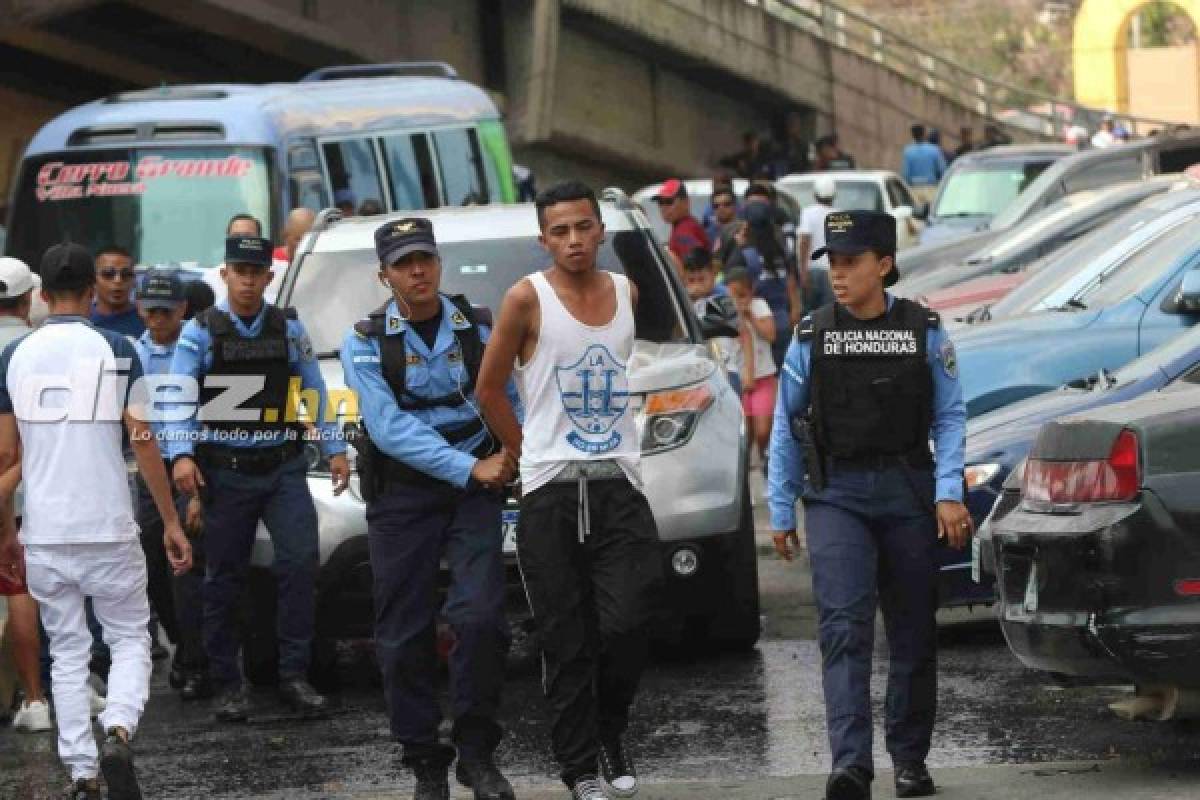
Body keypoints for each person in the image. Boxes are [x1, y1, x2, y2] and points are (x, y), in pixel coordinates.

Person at [766, 210, 970, 800]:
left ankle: (909, 759)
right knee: (844, 629)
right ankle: (850, 765)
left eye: (852, 261)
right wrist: (781, 508)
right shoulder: (811, 335)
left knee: (912, 631)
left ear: (884, 265)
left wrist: (949, 492)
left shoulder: (926, 331)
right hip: (837, 497)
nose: (839, 273)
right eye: (832, 261)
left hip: (908, 491)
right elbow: (786, 426)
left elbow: (950, 415)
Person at [476, 181, 663, 800]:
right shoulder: (525, 299)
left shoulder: (626, 291)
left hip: (620, 483)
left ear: (600, 229)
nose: (574, 240)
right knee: (566, 637)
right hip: (552, 490)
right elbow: (489, 388)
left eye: (583, 227)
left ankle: (611, 733)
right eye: (559, 230)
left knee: (628, 622)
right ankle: (581, 768)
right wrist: (525, 449)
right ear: (543, 238)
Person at [0, 242, 191, 800]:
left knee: (67, 650)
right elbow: (143, 437)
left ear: (41, 296)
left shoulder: (14, 359)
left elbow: (7, 458)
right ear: (91, 291)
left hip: (46, 528)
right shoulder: (120, 348)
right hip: (107, 524)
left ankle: (82, 771)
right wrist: (170, 521)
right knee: (131, 637)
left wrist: (8, 534)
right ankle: (120, 728)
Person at [341, 217, 520, 800]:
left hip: (476, 490)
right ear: (384, 274)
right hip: (403, 494)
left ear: (439, 262)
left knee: (481, 618)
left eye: (425, 259)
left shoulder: (482, 326)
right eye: (403, 263)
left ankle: (476, 752)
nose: (417, 271)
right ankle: (425, 762)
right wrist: (470, 466)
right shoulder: (365, 341)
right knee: (402, 633)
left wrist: (514, 453)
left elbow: (508, 398)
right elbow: (388, 430)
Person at [166, 235, 350, 722]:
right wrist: (182, 454)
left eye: (256, 272)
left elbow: (312, 388)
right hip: (225, 472)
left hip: (283, 466)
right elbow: (179, 397)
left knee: (300, 566)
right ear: (225, 274)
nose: (248, 281)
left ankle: (294, 675)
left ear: (269, 277)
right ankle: (228, 683)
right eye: (239, 271)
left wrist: (334, 448)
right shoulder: (200, 332)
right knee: (223, 579)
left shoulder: (288, 328)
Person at [133, 268, 210, 702]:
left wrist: (197, 492)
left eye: (167, 309)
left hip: (189, 467)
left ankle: (197, 661)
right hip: (150, 471)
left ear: (183, 308)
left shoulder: (199, 348)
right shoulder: (132, 353)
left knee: (185, 567)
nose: (158, 318)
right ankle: (184, 646)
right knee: (153, 566)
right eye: (151, 309)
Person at [0, 257, 50, 733]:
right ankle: (35, 695)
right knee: (24, 589)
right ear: (27, 298)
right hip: (28, 492)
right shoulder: (36, 349)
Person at [725, 184, 802, 369]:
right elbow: (791, 281)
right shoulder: (780, 248)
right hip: (782, 319)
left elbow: (734, 288)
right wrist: (795, 311)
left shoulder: (744, 254)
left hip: (757, 322)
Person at [724, 268, 775, 467]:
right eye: (733, 295)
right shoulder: (726, 313)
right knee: (747, 428)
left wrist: (750, 316)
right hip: (740, 378)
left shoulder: (759, 306)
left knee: (763, 428)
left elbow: (771, 335)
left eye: (742, 295)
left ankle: (761, 454)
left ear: (751, 292)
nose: (738, 300)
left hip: (764, 376)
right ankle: (747, 464)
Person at [684, 248, 748, 394]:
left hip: (727, 369)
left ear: (713, 274)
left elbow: (742, 331)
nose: (697, 285)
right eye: (691, 280)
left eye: (701, 279)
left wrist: (748, 370)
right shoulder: (684, 300)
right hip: (697, 372)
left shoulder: (724, 296)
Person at [797, 176, 837, 313]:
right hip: (833, 272)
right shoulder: (839, 215)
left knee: (810, 314)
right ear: (834, 195)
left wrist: (803, 270)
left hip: (812, 270)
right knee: (830, 314)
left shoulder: (808, 213)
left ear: (815, 194)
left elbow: (804, 240)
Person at [89, 246, 144, 338]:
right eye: (108, 274)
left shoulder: (147, 321)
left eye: (125, 274)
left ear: (134, 280)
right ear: (93, 280)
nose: (118, 280)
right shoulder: (83, 322)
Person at [654, 179, 710, 267]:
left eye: (669, 202)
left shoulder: (684, 230)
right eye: (660, 202)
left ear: (686, 202)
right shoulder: (684, 225)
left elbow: (695, 269)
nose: (663, 207)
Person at [901, 125, 945, 207]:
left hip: (914, 189)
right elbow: (942, 170)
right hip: (931, 188)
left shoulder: (908, 151)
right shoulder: (934, 149)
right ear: (924, 134)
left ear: (912, 135)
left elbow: (905, 174)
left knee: (916, 216)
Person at [708, 186, 742, 266]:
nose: (721, 208)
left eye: (726, 204)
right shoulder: (707, 234)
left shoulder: (744, 230)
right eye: (716, 206)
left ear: (735, 205)